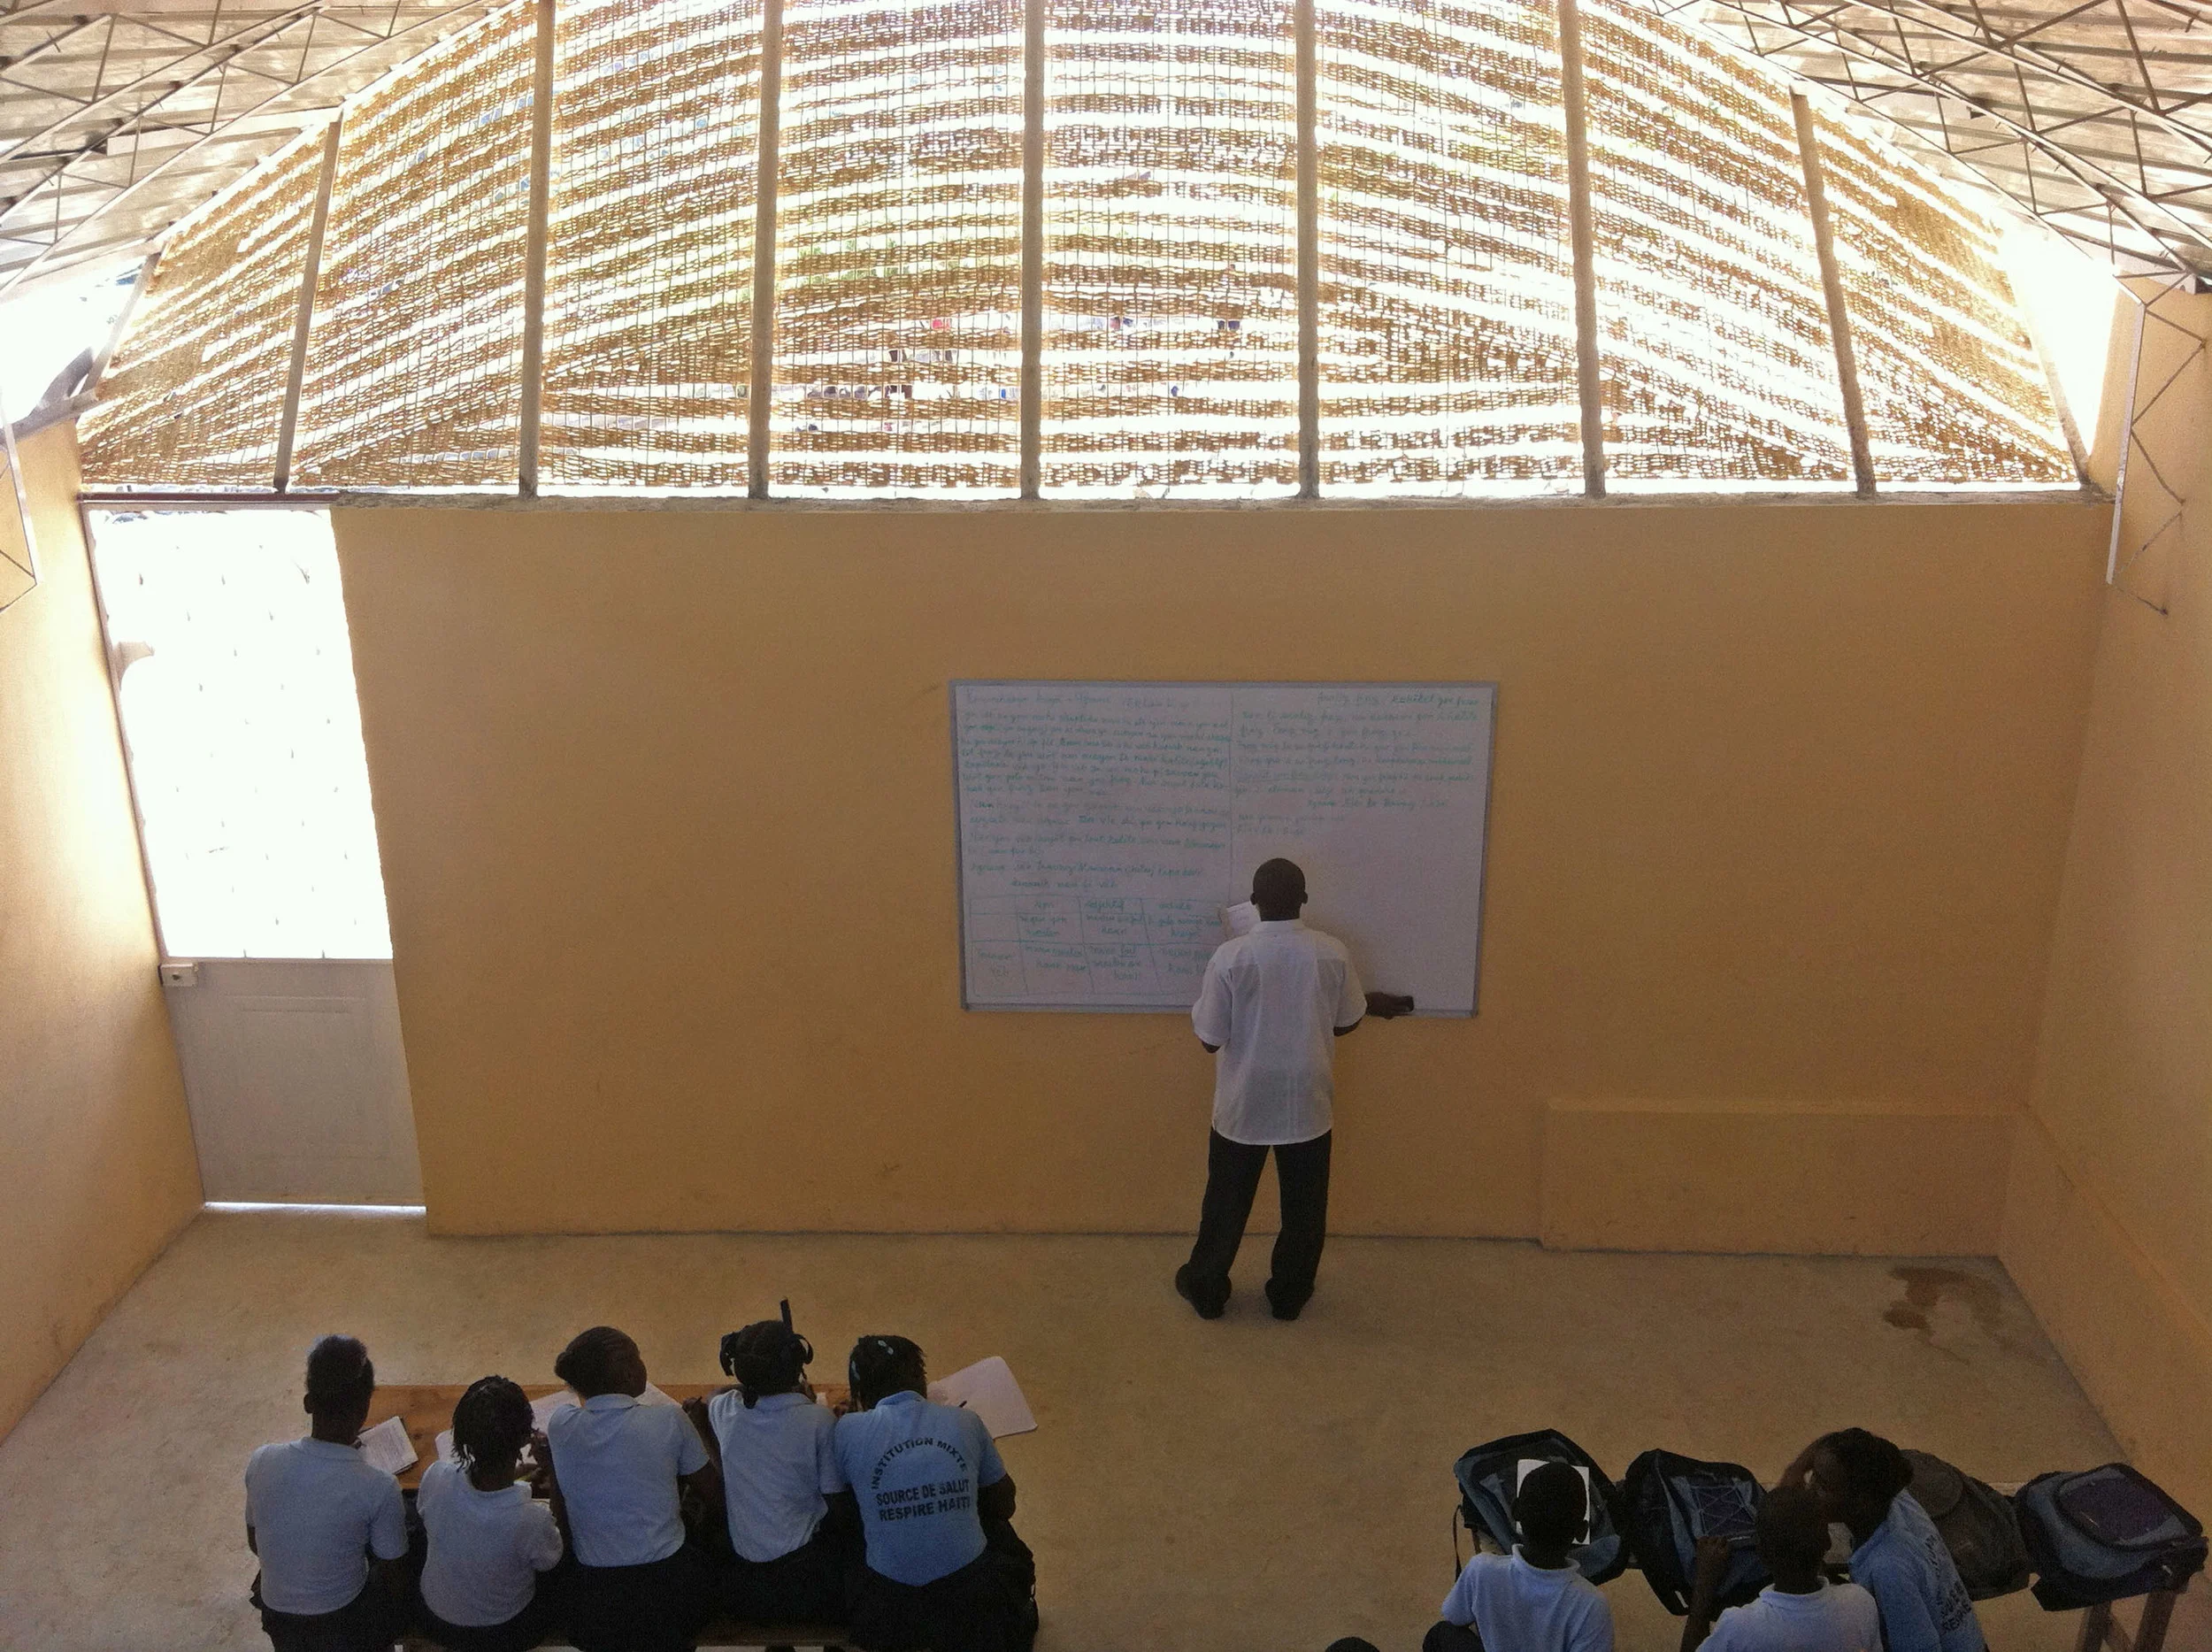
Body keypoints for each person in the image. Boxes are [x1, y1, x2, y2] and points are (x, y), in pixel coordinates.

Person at [1176, 857, 1414, 1321]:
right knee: (1304, 1209)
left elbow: (1210, 1040)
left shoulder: (1231, 956)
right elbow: (1345, 1022)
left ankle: (1206, 1288)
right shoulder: (1332, 953)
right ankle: (1289, 1295)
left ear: (1254, 902)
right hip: (1307, 1101)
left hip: (1244, 1104)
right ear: (1304, 900)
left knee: (1225, 1204)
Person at [829, 1334, 1037, 1652]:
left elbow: (841, 1511)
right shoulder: (965, 1421)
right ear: (921, 1380)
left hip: (888, 1609)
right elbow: (1004, 1504)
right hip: (970, 1602)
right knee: (997, 1529)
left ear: (860, 1394)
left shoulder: (847, 1430)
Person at [543, 1325, 719, 1652]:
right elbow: (714, 1493)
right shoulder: (669, 1419)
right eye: (638, 1357)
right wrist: (700, 1427)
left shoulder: (561, 1424)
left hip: (595, 1602)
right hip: (668, 1592)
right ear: (627, 1374)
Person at [244, 1333, 412, 1652]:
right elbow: (394, 1575)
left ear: (308, 1403)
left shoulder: (262, 1461)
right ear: (364, 1410)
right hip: (344, 1626)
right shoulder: (378, 1486)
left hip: (281, 1623)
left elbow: (256, 1544)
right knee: (410, 1542)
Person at [683, 1309, 853, 1624]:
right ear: (798, 1366)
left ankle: (779, 1643)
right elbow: (836, 1504)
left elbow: (715, 1394)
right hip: (807, 1584)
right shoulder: (818, 1420)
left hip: (745, 1587)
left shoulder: (724, 1409)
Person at [1778, 1428, 1985, 1652]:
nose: (1810, 1489)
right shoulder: (1894, 1497)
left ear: (1861, 1502)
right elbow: (1832, 1444)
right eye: (1814, 1475)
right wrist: (1796, 1470)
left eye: (1824, 1486)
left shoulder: (1888, 1569)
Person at [416, 1374, 567, 1651]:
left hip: (435, 1620)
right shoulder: (531, 1519)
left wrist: (518, 1476)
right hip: (504, 1632)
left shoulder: (436, 1476)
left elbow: (480, 1496)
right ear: (524, 1439)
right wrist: (555, 1471)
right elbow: (553, 1554)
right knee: (559, 1559)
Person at [1426, 1462, 1613, 1652]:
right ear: (1582, 1531)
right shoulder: (1591, 1605)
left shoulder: (1481, 1569)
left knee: (1440, 1633)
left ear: (1515, 1511)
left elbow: (1454, 1615)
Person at [1680, 1486, 1881, 1652]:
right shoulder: (1860, 1603)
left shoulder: (1740, 1626)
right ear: (1827, 1542)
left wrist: (1703, 1584)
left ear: (1761, 1553)